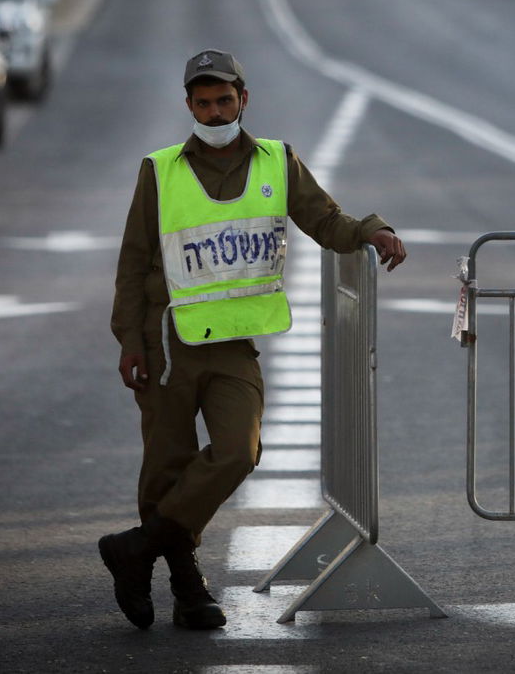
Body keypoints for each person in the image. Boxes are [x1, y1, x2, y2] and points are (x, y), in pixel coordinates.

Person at [101, 49, 406, 630]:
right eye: (203, 103)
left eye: (224, 100)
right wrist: (129, 342)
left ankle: (135, 550)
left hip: (234, 343)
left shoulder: (276, 161)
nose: (215, 113)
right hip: (168, 341)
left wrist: (374, 230)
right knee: (166, 465)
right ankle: (187, 589)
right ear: (189, 106)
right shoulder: (159, 169)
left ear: (243, 98)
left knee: (239, 451)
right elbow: (133, 261)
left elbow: (326, 219)